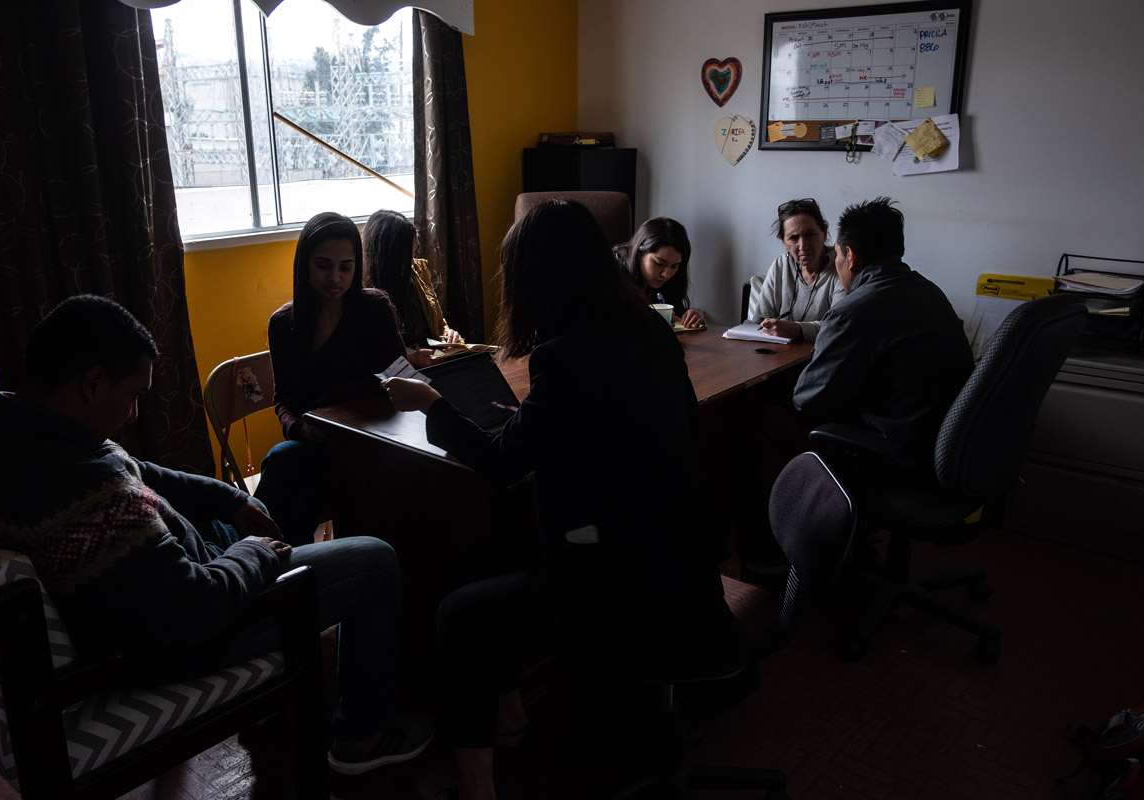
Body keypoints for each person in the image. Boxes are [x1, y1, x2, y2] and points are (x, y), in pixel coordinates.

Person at [0, 294, 433, 776]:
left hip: (142, 590)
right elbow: (195, 607)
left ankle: (279, 697)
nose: (134, 414)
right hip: (172, 640)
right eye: (134, 395)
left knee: (256, 505)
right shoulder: (89, 493)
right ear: (93, 383)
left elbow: (140, 472)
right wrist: (250, 554)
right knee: (375, 561)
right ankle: (362, 735)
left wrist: (231, 499)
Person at [384, 201, 736, 800]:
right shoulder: (647, 325)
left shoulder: (563, 352)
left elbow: (501, 463)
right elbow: (656, 422)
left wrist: (431, 406)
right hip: (678, 553)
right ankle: (513, 716)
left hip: (614, 571)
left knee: (458, 612)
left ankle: (478, 785)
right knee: (490, 559)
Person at [252, 211, 407, 546]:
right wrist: (300, 428)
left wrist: (329, 400)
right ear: (304, 264)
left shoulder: (374, 309)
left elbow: (400, 377)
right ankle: (283, 567)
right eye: (323, 265)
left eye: (345, 267)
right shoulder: (283, 324)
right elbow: (284, 400)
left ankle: (261, 561)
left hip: (371, 442)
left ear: (356, 267)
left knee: (285, 473)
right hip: (316, 445)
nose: (335, 277)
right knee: (289, 478)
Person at [792, 196, 974, 474]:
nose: (837, 261)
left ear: (851, 257)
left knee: (763, 419)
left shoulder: (852, 312)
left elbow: (807, 404)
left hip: (897, 455)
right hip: (948, 448)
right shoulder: (930, 291)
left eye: (838, 254)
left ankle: (795, 514)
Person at [363, 208, 464, 356]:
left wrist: (449, 335)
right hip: (397, 370)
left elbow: (439, 323)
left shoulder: (418, 272)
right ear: (383, 255)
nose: (411, 262)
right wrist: (411, 358)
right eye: (403, 256)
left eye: (413, 253)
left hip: (433, 357)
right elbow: (371, 352)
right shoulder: (364, 290)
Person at [754, 197, 846, 342]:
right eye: (794, 238)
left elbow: (838, 325)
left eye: (810, 235)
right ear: (783, 241)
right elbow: (758, 322)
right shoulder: (780, 266)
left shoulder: (841, 268)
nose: (803, 246)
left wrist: (797, 329)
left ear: (825, 233)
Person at [614, 216, 706, 329]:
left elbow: (676, 317)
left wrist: (693, 315)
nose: (666, 274)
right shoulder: (612, 274)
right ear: (638, 253)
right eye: (659, 263)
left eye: (674, 266)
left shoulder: (667, 284)